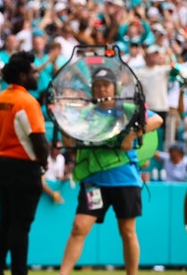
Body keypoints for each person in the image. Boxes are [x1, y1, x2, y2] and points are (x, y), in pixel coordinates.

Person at [59, 67, 163, 275]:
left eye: (105, 85)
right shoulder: (86, 113)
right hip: (94, 181)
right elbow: (70, 143)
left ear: (114, 87)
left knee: (127, 231)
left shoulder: (128, 109)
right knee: (79, 227)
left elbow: (157, 120)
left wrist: (133, 135)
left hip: (125, 178)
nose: (101, 89)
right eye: (97, 85)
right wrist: (64, 127)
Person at [0, 51, 50, 275]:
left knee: (5, 221)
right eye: (34, 72)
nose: (37, 75)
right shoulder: (27, 101)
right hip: (23, 166)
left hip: (1, 165)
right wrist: (44, 161)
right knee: (20, 226)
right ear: (23, 76)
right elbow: (38, 140)